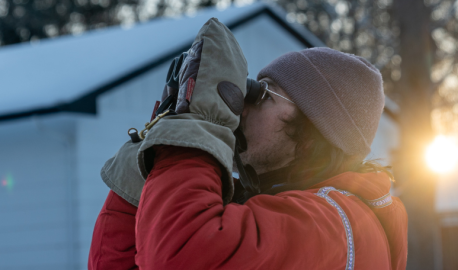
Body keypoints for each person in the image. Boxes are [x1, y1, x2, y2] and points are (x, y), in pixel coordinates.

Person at [89, 18, 407, 270]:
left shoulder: (333, 226)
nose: (242, 106)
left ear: (316, 127)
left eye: (264, 93)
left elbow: (178, 258)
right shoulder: (276, 210)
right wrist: (158, 150)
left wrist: (191, 134)